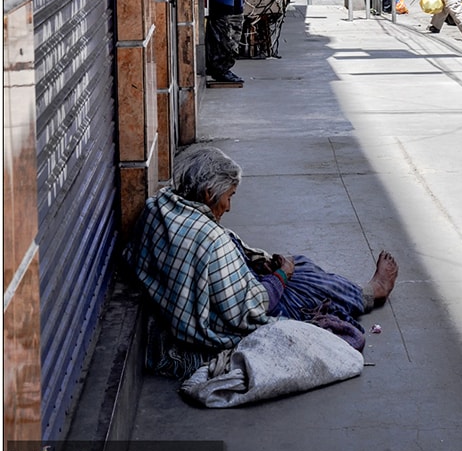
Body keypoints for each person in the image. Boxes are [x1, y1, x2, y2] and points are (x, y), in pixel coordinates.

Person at [124, 145, 399, 377]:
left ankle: (355, 291)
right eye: (229, 196)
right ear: (209, 194)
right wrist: (280, 276)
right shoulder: (211, 240)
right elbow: (250, 309)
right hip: (217, 324)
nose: (229, 207)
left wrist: (258, 265)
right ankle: (369, 293)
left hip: (197, 301)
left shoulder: (158, 205)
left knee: (295, 265)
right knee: (306, 285)